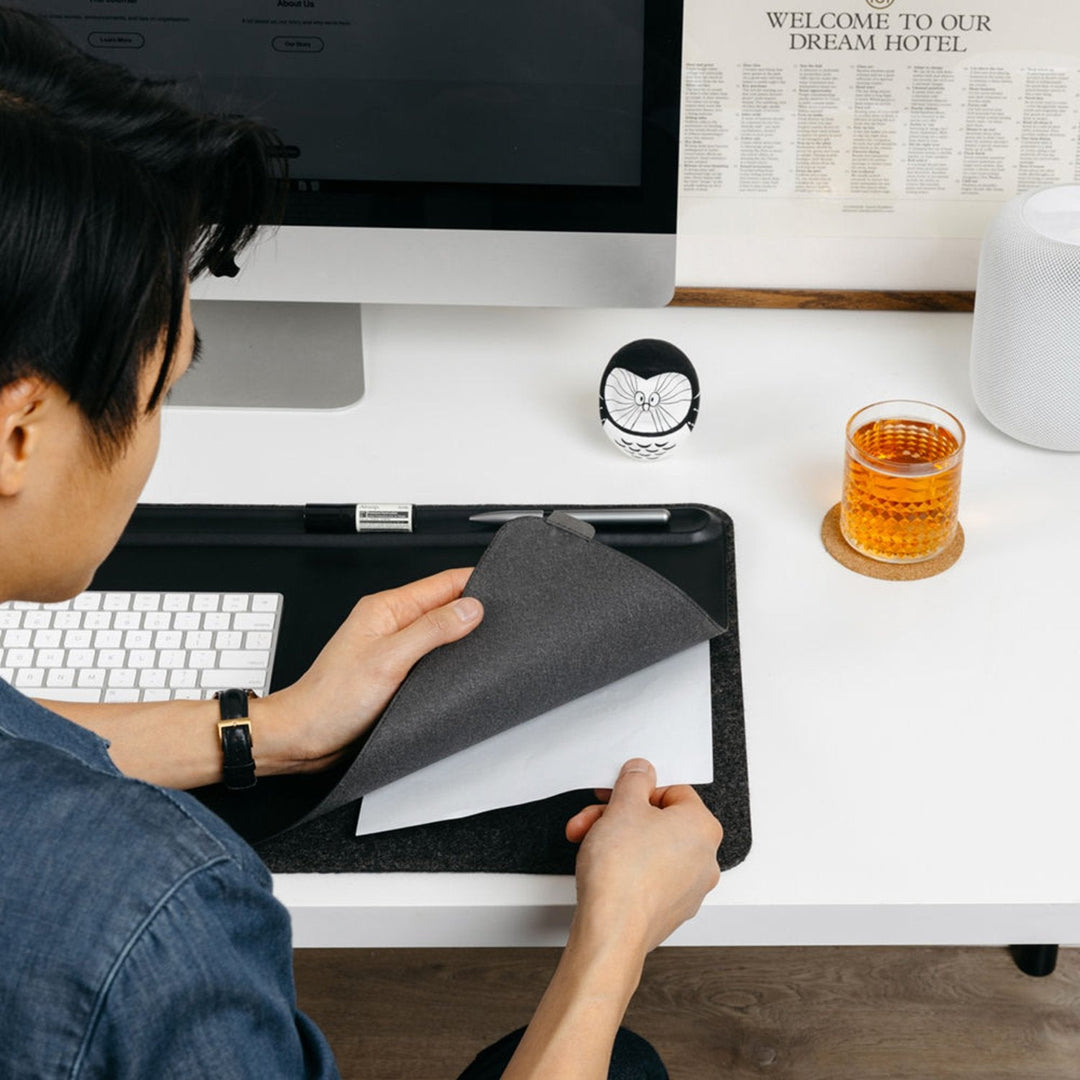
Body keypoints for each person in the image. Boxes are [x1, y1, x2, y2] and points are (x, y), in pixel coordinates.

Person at [0, 7, 725, 1077]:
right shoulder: (154, 913)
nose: (156, 441)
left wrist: (271, 728)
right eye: (160, 390)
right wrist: (614, 941)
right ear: (18, 434)